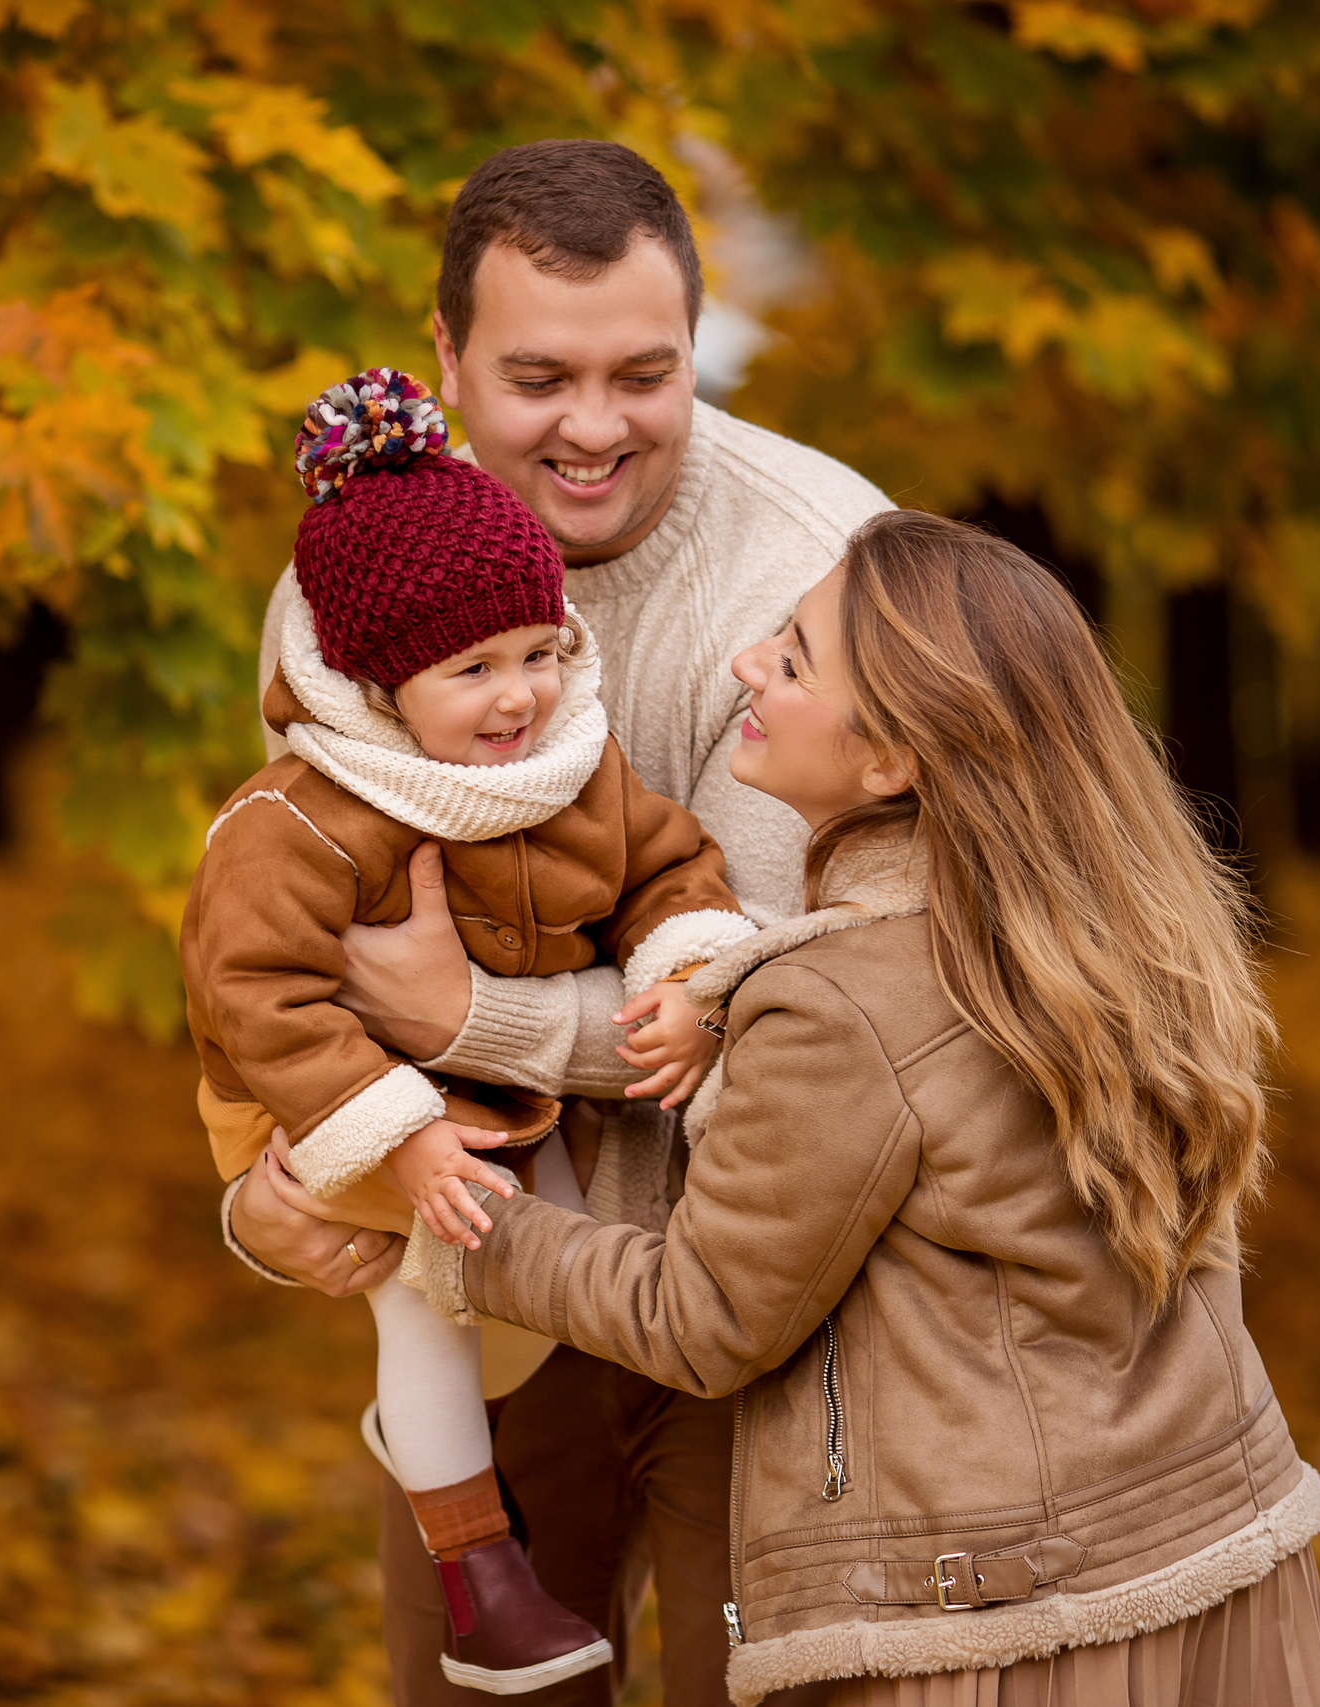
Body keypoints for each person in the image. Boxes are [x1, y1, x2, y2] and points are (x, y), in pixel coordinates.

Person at [457, 510, 1320, 1707]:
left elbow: (702, 1316)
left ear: (889, 765)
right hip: (1221, 1558)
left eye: (796, 657)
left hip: (1007, 1633)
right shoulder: (1114, 941)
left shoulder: (835, 1007)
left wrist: (463, 1225)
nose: (747, 665)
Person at [226, 139, 894, 1705]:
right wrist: (263, 1201)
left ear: (698, 345)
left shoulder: (824, 574)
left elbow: (803, 1026)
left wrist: (470, 1019)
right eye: (539, 376)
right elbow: (288, 949)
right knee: (470, 1680)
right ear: (448, 354)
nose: (595, 427)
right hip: (489, 1282)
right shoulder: (349, 592)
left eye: (643, 373)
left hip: (786, 1305)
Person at [188, 367, 755, 1692]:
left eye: (542, 653)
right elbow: (256, 993)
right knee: (426, 1293)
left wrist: (683, 963)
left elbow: (668, 860)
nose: (521, 698)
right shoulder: (305, 817)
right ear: (383, 689)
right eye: (473, 671)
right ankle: (476, 1565)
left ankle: (536, 1452)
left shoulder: (568, 764)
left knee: (545, 1253)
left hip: (492, 1087)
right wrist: (395, 1130)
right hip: (328, 1086)